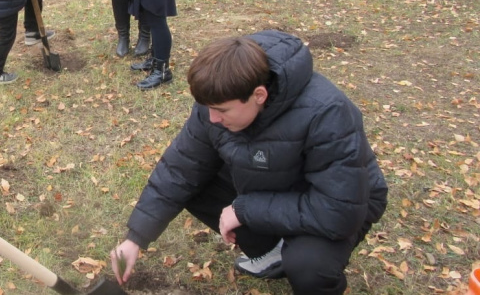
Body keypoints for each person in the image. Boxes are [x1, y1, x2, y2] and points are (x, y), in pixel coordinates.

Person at [108, 30, 388, 294]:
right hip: (276, 184)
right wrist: (135, 239)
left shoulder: (327, 113)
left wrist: (245, 209)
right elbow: (181, 167)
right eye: (208, 109)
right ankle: (273, 252)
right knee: (193, 186)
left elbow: (338, 212)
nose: (212, 119)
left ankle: (295, 255)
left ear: (259, 95)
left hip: (344, 201)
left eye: (221, 111)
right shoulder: (217, 100)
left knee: (308, 267)